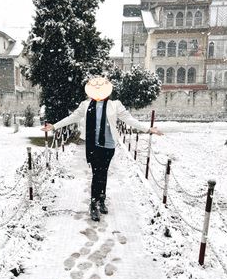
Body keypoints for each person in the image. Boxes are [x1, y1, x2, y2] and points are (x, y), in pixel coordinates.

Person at [41, 76, 163, 221]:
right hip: (93, 144)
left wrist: (148, 129)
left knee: (103, 172)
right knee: (96, 173)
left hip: (109, 145)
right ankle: (94, 203)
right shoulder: (85, 105)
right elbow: (72, 118)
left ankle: (102, 199)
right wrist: (54, 126)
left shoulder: (115, 105)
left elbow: (129, 119)